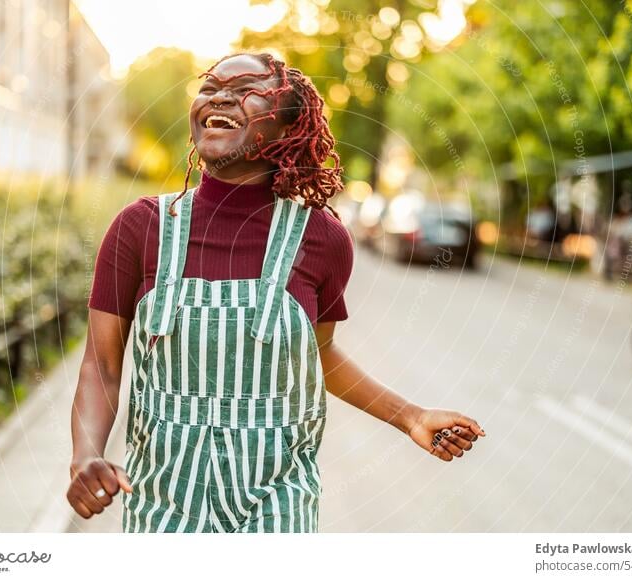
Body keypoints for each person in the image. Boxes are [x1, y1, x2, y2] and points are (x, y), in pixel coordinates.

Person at [67, 52, 486, 533]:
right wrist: (85, 454)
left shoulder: (322, 239)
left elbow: (319, 355)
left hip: (277, 509)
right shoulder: (140, 228)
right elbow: (102, 365)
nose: (219, 95)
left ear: (287, 129)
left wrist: (410, 417)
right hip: (164, 509)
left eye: (247, 87)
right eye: (210, 86)